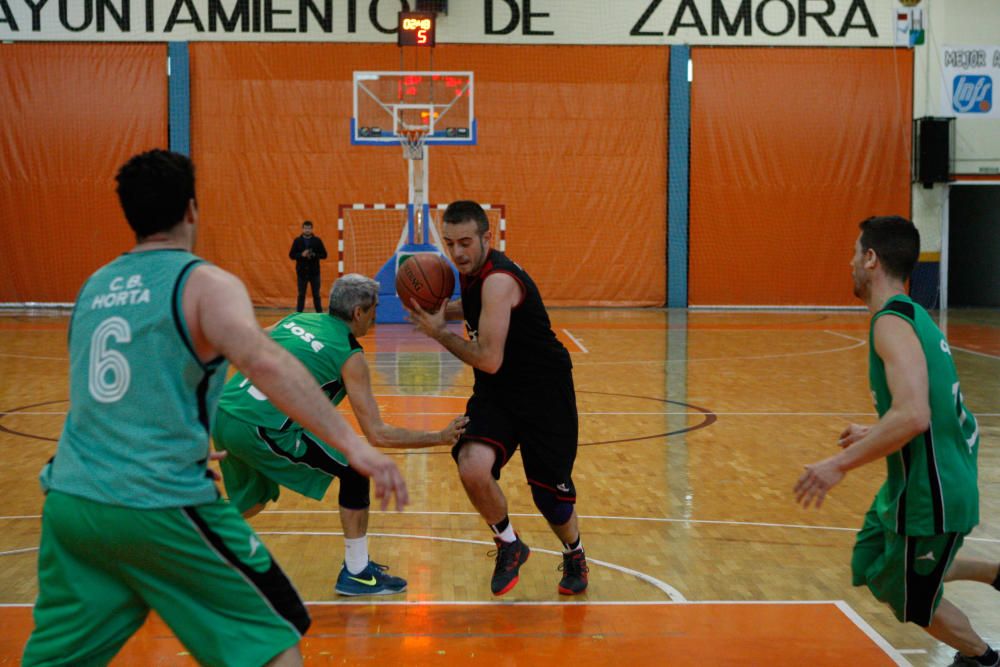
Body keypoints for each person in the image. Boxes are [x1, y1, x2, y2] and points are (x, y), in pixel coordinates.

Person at [22, 149, 407, 667]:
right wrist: (357, 447)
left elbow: (103, 394)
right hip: (156, 501)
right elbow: (267, 365)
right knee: (277, 635)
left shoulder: (96, 287)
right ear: (192, 209)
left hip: (70, 498)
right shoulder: (204, 283)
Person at [795, 216, 1000, 667]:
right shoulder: (914, 315)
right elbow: (936, 409)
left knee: (911, 599)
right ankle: (992, 572)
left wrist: (838, 464)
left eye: (855, 252)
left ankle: (983, 657)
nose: (850, 261)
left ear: (871, 259)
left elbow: (915, 414)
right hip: (914, 482)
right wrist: (875, 431)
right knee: (872, 559)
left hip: (933, 491)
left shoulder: (891, 323)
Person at [212, 273, 468, 596]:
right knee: (356, 469)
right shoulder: (350, 355)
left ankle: (182, 541)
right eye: (373, 309)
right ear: (358, 312)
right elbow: (378, 434)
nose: (375, 317)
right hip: (261, 428)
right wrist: (440, 436)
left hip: (223, 413)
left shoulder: (297, 320)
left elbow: (241, 343)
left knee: (252, 499)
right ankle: (357, 572)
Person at [406, 200, 588, 596]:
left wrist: (438, 333)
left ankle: (574, 552)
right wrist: (445, 314)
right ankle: (509, 543)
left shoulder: (499, 279)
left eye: (466, 242)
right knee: (472, 465)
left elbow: (488, 359)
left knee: (550, 499)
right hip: (498, 392)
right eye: (450, 243)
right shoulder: (473, 276)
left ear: (488, 237)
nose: (457, 253)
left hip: (544, 393)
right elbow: (476, 311)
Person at [289, 220, 327, 313]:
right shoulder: (297, 241)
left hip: (314, 273)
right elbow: (291, 255)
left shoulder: (317, 241)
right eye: (305, 228)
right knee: (301, 294)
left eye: (309, 228)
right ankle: (298, 314)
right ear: (302, 229)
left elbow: (324, 255)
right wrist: (301, 255)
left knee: (316, 295)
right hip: (302, 273)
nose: (307, 230)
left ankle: (319, 314)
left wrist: (313, 255)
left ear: (312, 229)